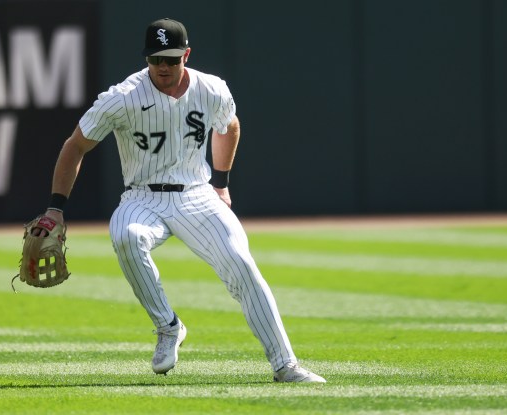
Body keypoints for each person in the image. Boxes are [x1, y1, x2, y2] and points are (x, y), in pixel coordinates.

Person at [42, 17, 326, 383]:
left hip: (197, 194)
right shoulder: (123, 97)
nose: (163, 66)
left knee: (241, 263)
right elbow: (76, 145)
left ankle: (285, 365)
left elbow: (230, 125)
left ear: (186, 55)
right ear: (146, 59)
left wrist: (221, 183)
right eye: (156, 58)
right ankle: (168, 326)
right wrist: (55, 206)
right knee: (125, 235)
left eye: (171, 59)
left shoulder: (211, 89)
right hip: (143, 196)